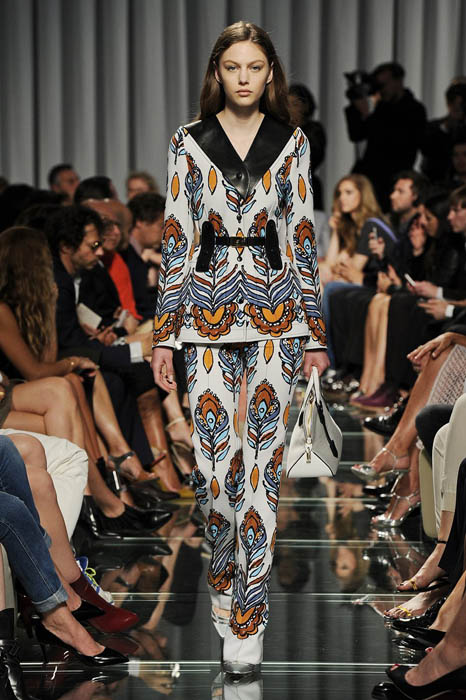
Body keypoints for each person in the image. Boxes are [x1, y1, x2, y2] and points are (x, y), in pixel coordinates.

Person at [151, 21, 328, 676]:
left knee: (261, 470)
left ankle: (248, 619)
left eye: (255, 66)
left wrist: (315, 331)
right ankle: (222, 575)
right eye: (234, 67)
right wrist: (164, 331)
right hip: (203, 314)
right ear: (217, 73)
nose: (245, 77)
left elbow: (301, 233)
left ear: (270, 73)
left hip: (277, 316)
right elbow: (176, 233)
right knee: (214, 469)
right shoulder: (188, 141)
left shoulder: (292, 142)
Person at [345, 62, 427, 210]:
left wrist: (368, 116)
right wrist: (356, 108)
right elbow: (356, 134)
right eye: (378, 86)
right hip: (370, 178)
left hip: (392, 181)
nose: (381, 90)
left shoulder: (413, 109)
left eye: (383, 85)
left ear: (398, 81)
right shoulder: (381, 107)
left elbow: (395, 142)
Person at [288, 83, 326, 209]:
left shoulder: (313, 130)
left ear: (306, 106)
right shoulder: (277, 130)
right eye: (287, 104)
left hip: (306, 185)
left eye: (295, 104)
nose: (291, 109)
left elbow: (313, 158)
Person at [420, 79, 466, 183]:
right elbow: (426, 150)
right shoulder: (434, 128)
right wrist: (448, 125)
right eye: (457, 105)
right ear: (449, 104)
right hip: (438, 182)